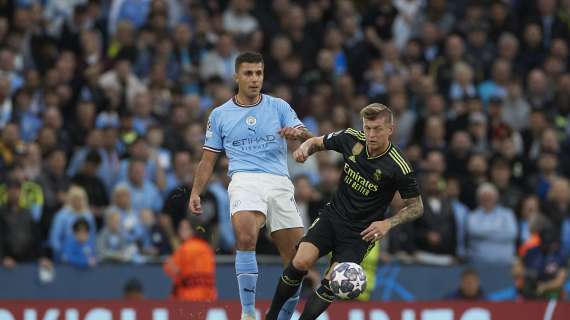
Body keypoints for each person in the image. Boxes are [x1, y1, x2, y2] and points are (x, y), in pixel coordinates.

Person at [265, 104, 424, 320]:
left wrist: (388, 223)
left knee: (333, 281)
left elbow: (416, 206)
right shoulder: (351, 138)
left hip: (360, 234)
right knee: (300, 262)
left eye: (377, 129)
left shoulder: (399, 167)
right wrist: (305, 148)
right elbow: (318, 141)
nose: (371, 134)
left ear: (390, 130)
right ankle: (271, 316)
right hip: (333, 217)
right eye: (367, 128)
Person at [189, 52, 312, 320]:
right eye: (248, 73)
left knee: (298, 261)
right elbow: (208, 160)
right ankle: (247, 312)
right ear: (236, 76)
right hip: (244, 179)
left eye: (258, 73)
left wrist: (297, 134)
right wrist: (196, 191)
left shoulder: (279, 106)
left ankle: (282, 316)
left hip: (279, 181)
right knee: (245, 235)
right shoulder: (220, 115)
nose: (254, 79)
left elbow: (308, 137)